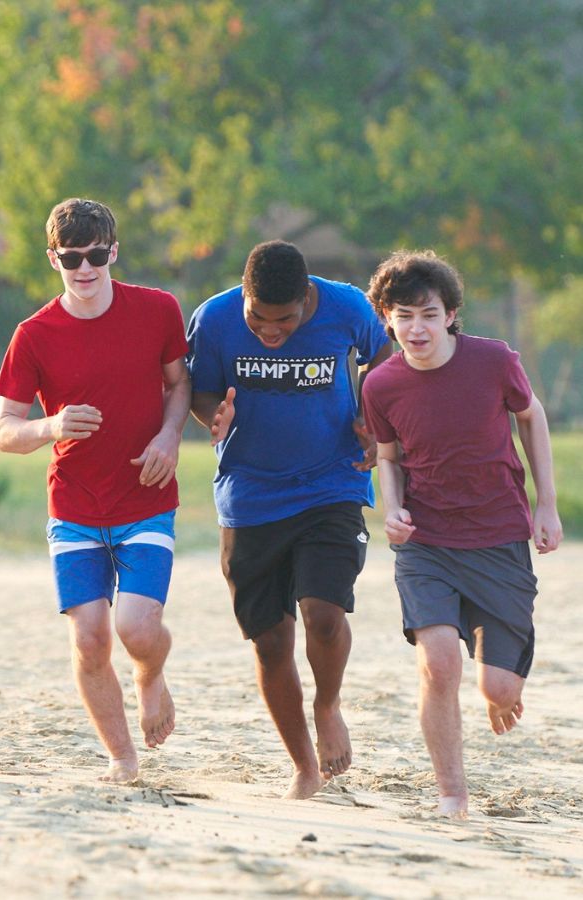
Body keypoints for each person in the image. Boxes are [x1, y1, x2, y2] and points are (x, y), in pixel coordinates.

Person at [0, 198, 191, 784]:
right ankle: (122, 760)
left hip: (145, 497)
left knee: (135, 629)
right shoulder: (33, 335)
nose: (85, 268)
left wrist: (169, 436)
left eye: (96, 255)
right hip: (74, 506)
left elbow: (180, 385)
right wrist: (49, 427)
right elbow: (4, 429)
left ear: (114, 252)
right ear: (53, 258)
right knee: (88, 637)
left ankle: (151, 675)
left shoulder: (157, 310)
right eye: (72, 257)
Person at [361, 249, 563, 818]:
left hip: (499, 534)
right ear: (386, 318)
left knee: (498, 690)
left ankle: (501, 676)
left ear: (451, 313)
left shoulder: (494, 361)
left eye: (428, 314)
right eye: (403, 316)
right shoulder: (380, 386)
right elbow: (389, 456)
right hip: (426, 541)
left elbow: (531, 416)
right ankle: (452, 793)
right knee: (440, 659)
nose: (416, 328)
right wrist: (393, 511)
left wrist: (545, 505)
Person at [186, 239, 391, 799]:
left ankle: (329, 704)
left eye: (285, 320)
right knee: (271, 642)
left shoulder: (349, 307)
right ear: (244, 297)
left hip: (332, 483)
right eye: (259, 317)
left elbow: (385, 360)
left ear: (306, 296)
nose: (270, 331)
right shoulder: (215, 317)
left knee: (324, 614)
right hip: (249, 495)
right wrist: (215, 415)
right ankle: (303, 766)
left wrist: (374, 417)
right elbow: (200, 391)